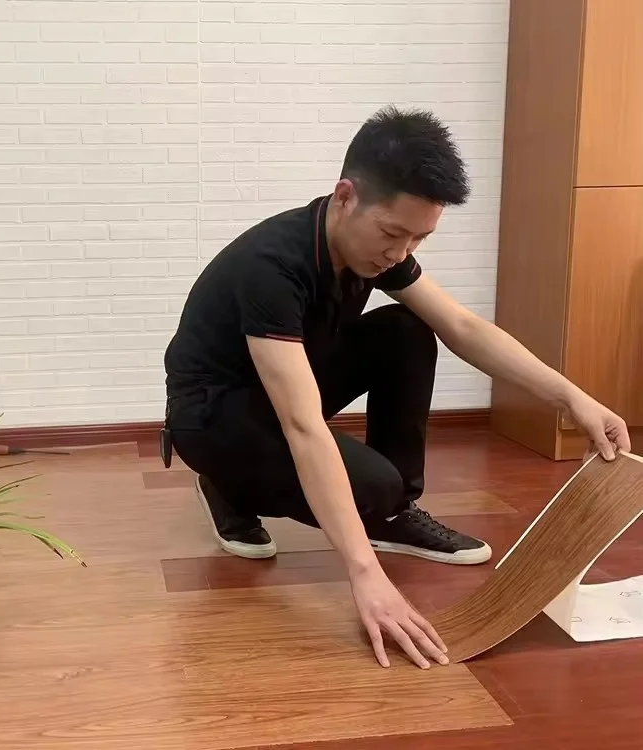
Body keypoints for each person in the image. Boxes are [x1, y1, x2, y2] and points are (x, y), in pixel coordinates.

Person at [162, 105, 631, 670]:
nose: (400, 253)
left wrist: (573, 397)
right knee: (370, 487)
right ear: (345, 196)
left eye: (418, 238)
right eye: (391, 233)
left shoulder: (376, 251)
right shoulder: (272, 264)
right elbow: (303, 425)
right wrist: (365, 573)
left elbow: (462, 327)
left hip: (274, 389)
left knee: (407, 330)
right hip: (211, 414)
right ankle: (229, 485)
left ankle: (393, 513)